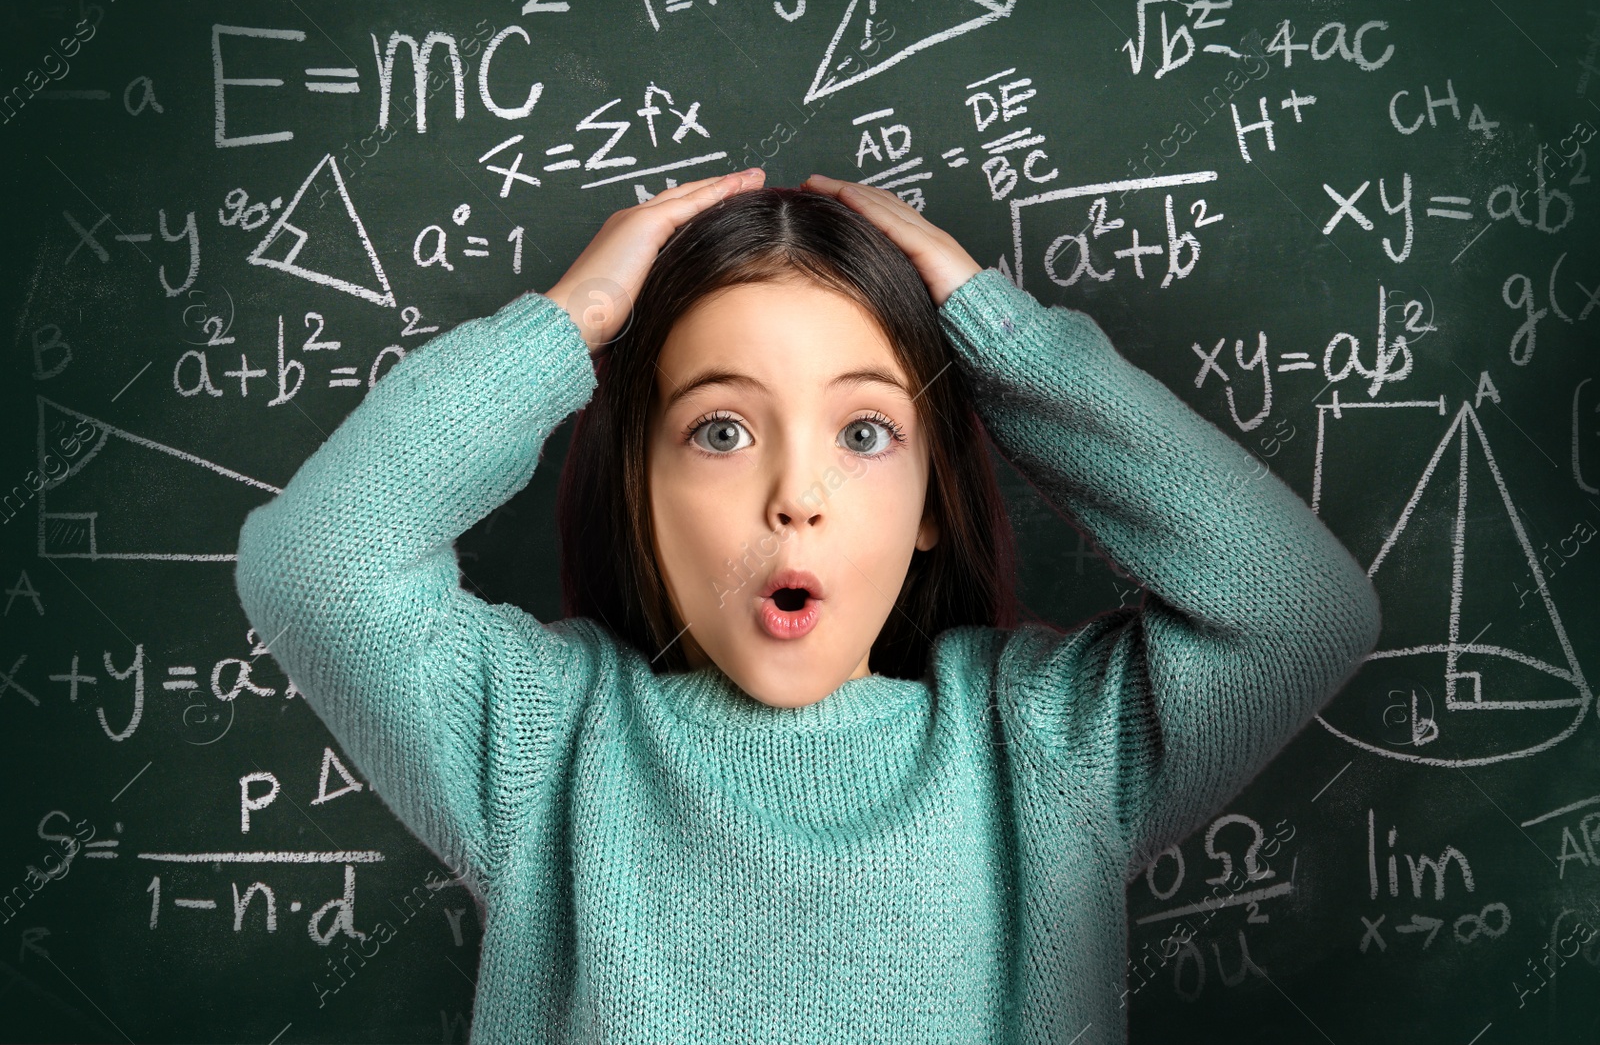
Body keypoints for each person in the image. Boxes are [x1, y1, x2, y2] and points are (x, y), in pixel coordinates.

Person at [234, 167, 1380, 1044]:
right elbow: (319, 564)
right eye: (720, 431)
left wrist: (1012, 350)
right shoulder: (544, 739)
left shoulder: (1044, 747)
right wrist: (568, 321)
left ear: (933, 500)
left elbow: (1300, 610)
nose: (797, 496)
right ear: (642, 487)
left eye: (866, 432)